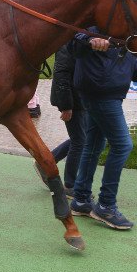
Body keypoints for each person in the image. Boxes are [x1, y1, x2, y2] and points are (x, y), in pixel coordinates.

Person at [69, 29, 137, 230]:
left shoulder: (123, 27)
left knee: (94, 144)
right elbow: (74, 40)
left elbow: (129, 57)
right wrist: (90, 40)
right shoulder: (94, 23)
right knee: (122, 145)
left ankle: (81, 199)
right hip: (101, 94)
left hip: (107, 93)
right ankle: (106, 205)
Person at [33, 43, 86, 198]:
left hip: (82, 98)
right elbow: (61, 74)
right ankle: (70, 185)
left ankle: (45, 163)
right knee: (79, 140)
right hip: (72, 100)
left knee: (82, 138)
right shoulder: (68, 42)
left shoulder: (84, 39)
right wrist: (66, 106)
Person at [18, 0, 43, 117]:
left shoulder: (33, 3)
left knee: (27, 76)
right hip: (24, 43)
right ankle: (34, 105)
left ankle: (31, 106)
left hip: (30, 44)